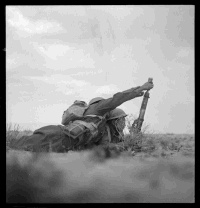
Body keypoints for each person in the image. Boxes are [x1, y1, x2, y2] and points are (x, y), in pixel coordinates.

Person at [12, 81, 153, 153]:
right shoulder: (97, 108)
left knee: (23, 144)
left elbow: (104, 147)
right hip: (58, 136)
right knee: (19, 144)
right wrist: (140, 89)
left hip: (62, 140)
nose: (122, 122)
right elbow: (117, 98)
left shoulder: (100, 125)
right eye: (120, 119)